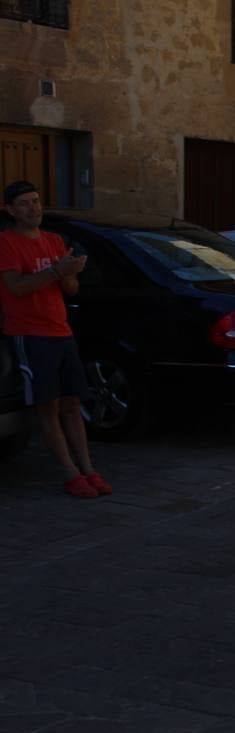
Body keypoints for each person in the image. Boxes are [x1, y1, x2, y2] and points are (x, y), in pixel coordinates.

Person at [0, 180, 110, 499]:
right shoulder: (6, 242)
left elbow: (71, 289)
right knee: (47, 406)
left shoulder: (53, 240)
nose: (33, 208)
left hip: (61, 331)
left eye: (36, 201)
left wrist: (71, 271)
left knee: (73, 403)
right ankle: (69, 472)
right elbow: (17, 288)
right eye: (24, 203)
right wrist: (56, 272)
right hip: (30, 334)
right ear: (10, 210)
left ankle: (89, 468)